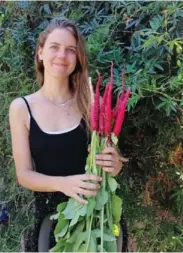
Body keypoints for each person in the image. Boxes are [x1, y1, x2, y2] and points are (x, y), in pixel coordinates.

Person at [9, 17, 128, 252]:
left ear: (77, 58)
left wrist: (115, 164)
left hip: (99, 221)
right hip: (51, 224)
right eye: (54, 47)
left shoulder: (90, 102)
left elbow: (110, 165)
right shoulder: (22, 108)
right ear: (40, 53)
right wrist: (64, 184)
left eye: (71, 50)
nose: (62, 55)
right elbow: (24, 175)